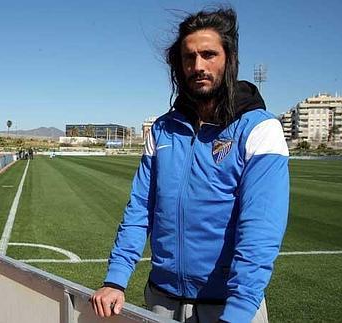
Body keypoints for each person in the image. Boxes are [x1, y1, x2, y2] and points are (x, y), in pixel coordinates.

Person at [90, 7, 289, 323]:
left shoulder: (259, 129)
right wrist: (115, 279)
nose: (198, 66)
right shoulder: (163, 129)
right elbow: (140, 208)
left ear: (229, 58)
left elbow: (260, 231)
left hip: (227, 307)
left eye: (209, 54)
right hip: (161, 300)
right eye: (189, 57)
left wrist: (237, 313)